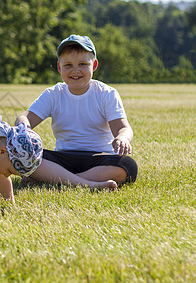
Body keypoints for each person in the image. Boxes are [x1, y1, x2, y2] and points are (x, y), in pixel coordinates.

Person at [16, 34, 138, 187]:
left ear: (93, 65)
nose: (75, 70)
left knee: (127, 166)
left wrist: (123, 138)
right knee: (18, 154)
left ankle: (56, 179)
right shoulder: (53, 94)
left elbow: (122, 128)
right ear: (59, 67)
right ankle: (81, 182)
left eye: (82, 64)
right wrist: (24, 128)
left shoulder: (106, 93)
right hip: (63, 158)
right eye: (68, 65)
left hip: (98, 159)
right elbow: (25, 117)